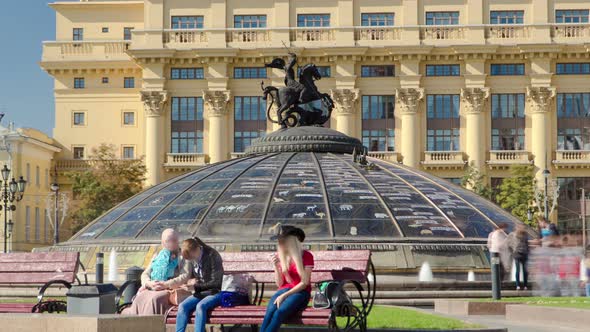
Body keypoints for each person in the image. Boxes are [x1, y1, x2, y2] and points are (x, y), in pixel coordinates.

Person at [126, 229, 193, 315]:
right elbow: (145, 273)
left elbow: (184, 276)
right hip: (154, 287)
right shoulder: (157, 256)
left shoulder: (183, 256)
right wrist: (148, 283)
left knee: (154, 299)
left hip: (171, 289)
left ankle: (152, 325)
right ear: (162, 242)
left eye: (174, 240)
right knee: (140, 298)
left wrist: (165, 284)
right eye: (168, 241)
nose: (172, 243)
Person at [261, 225, 314, 332]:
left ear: (290, 242)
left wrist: (284, 295)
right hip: (283, 290)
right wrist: (276, 266)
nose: (279, 244)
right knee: (269, 313)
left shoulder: (307, 256)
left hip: (301, 292)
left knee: (279, 313)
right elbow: (280, 284)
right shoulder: (281, 256)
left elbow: (304, 283)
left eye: (282, 241)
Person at [175, 237, 224, 332]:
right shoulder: (194, 258)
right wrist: (191, 282)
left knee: (200, 306)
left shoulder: (212, 255)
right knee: (182, 306)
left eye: (191, 257)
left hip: (216, 292)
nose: (191, 260)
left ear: (197, 249)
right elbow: (200, 277)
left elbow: (217, 282)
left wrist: (196, 286)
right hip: (202, 292)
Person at [507, 225, 530, 290]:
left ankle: (525, 285)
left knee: (525, 271)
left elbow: (526, 244)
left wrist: (528, 251)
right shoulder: (513, 234)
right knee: (518, 270)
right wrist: (512, 252)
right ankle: (518, 285)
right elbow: (508, 244)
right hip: (517, 254)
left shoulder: (525, 235)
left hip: (524, 254)